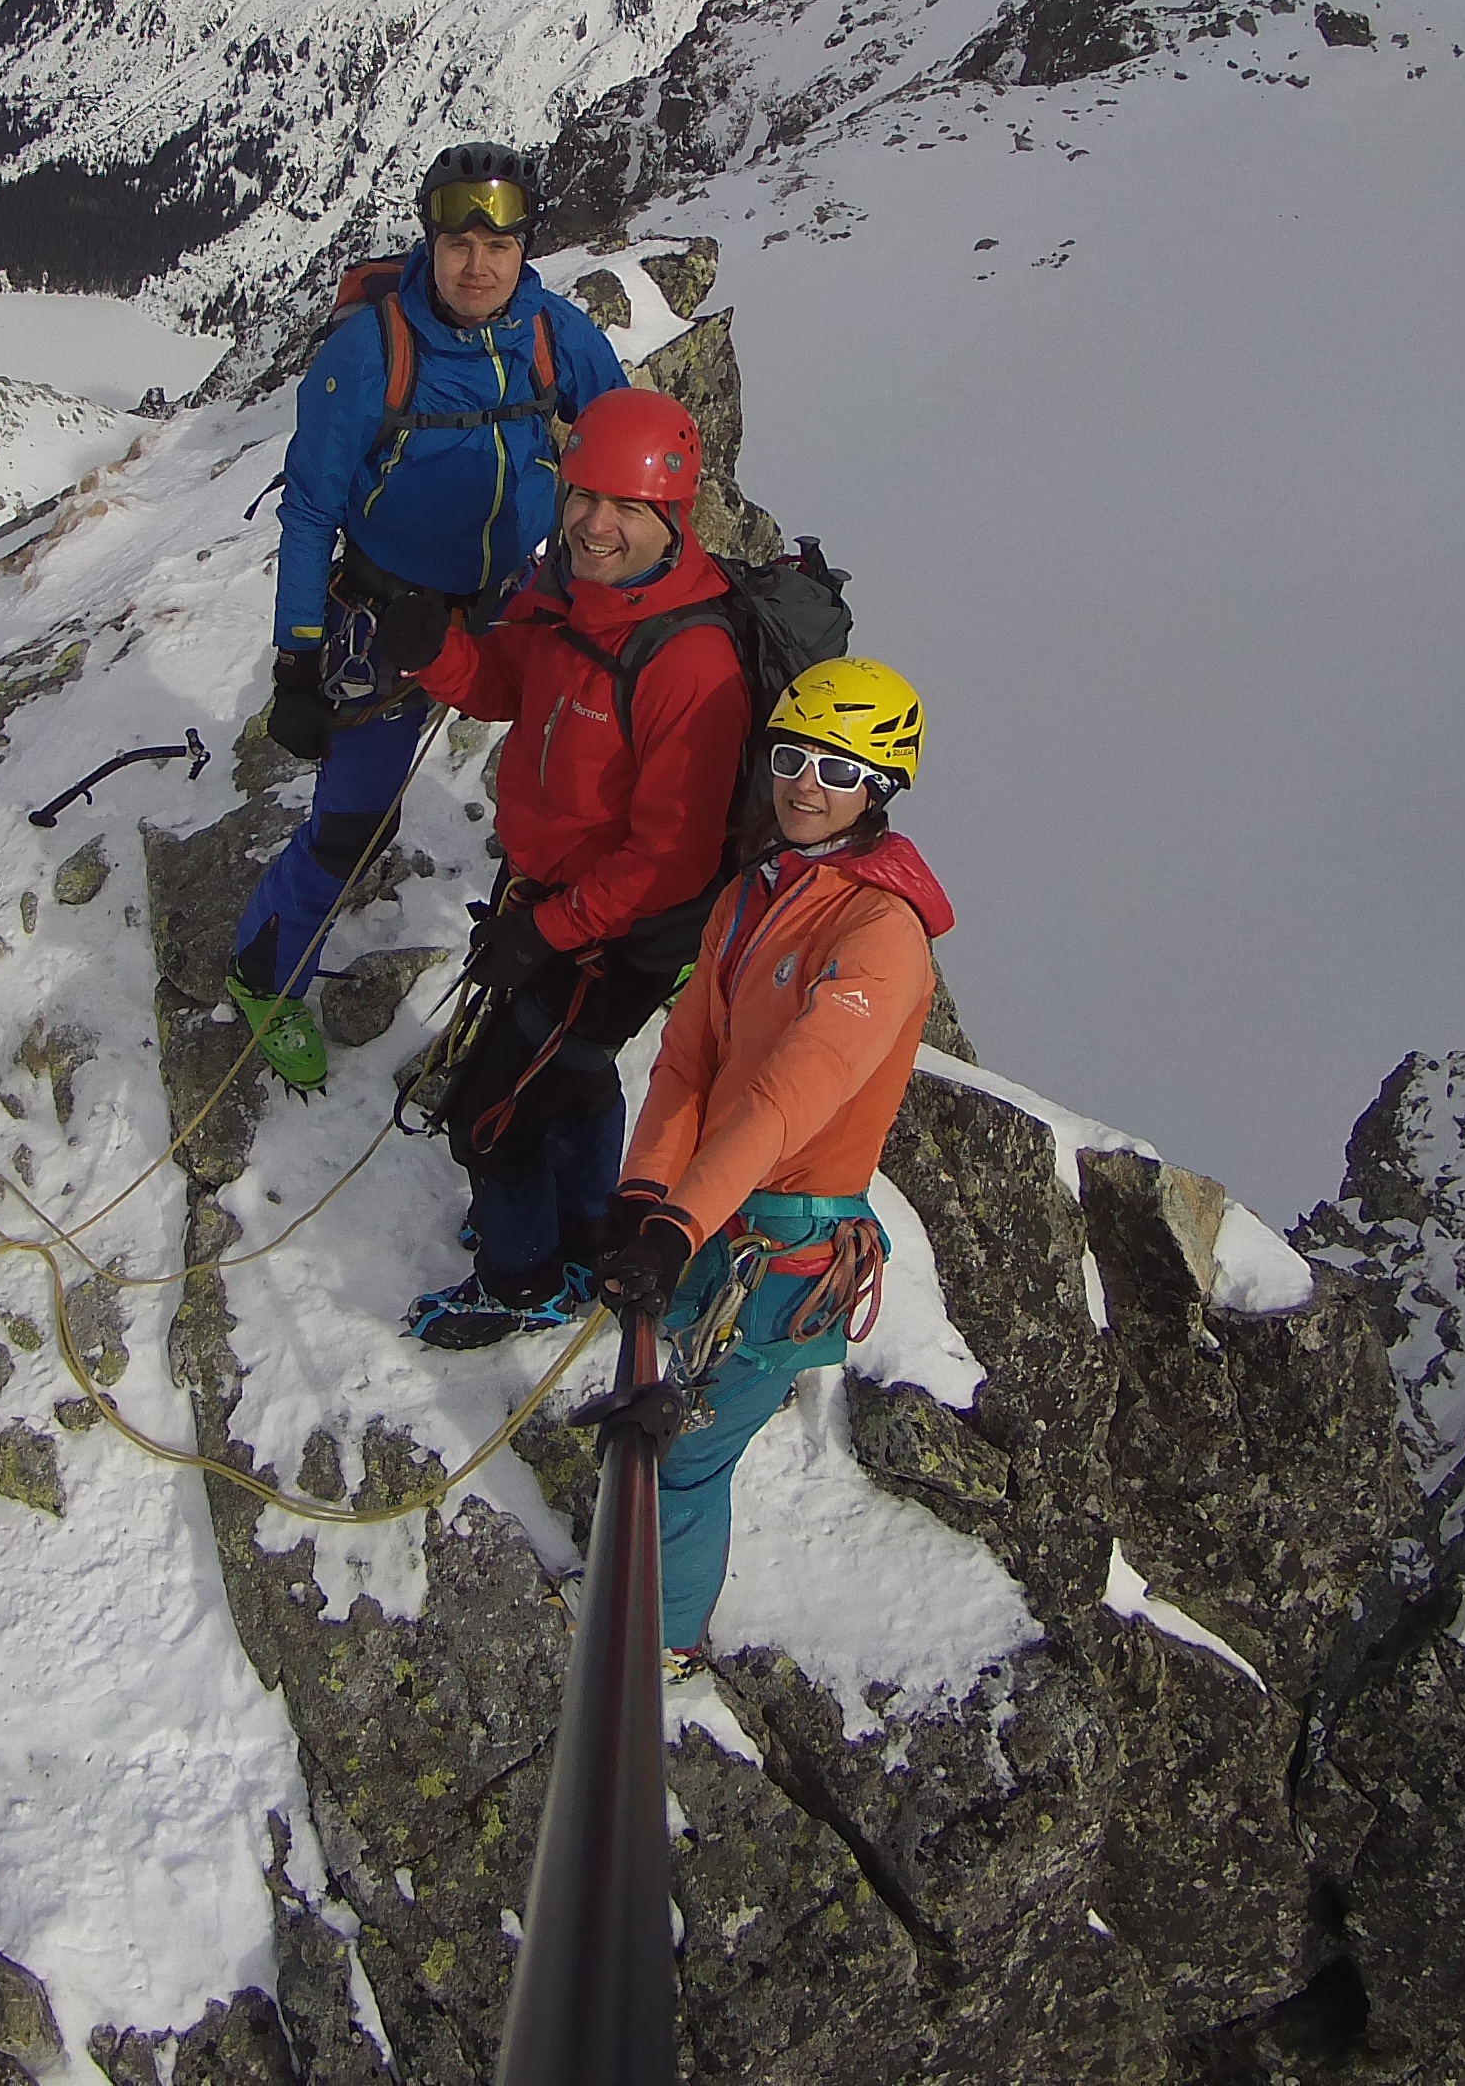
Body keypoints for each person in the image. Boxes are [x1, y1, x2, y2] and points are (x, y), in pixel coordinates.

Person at [227, 140, 622, 1091]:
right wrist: (298, 658)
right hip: (385, 613)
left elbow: (616, 452)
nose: (477, 265)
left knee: (568, 784)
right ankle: (261, 975)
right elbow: (311, 507)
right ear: (430, 245)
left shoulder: (554, 336)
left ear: (528, 246)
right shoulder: (371, 351)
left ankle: (556, 954)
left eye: (499, 243)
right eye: (458, 243)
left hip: (510, 604)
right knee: (352, 823)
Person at [376, 388, 755, 1347]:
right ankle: (582, 1228)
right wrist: (437, 654)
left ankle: (522, 1278)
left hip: (620, 935)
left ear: (672, 516)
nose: (594, 524)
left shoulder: (691, 663)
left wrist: (540, 935)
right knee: (572, 1078)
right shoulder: (568, 594)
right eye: (584, 495)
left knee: (488, 1121)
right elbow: (509, 682)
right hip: (551, 901)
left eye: (626, 508)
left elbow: (669, 862)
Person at [590, 657, 947, 1670]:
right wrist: (646, 1194)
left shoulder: (883, 933)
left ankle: (660, 1644)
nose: (804, 783)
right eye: (791, 757)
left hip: (786, 1243)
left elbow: (790, 1098)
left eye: (837, 768)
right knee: (654, 1415)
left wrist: (675, 1220)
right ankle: (640, 1606)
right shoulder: (754, 895)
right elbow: (689, 1061)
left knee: (685, 1452)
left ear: (880, 787)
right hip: (715, 1215)